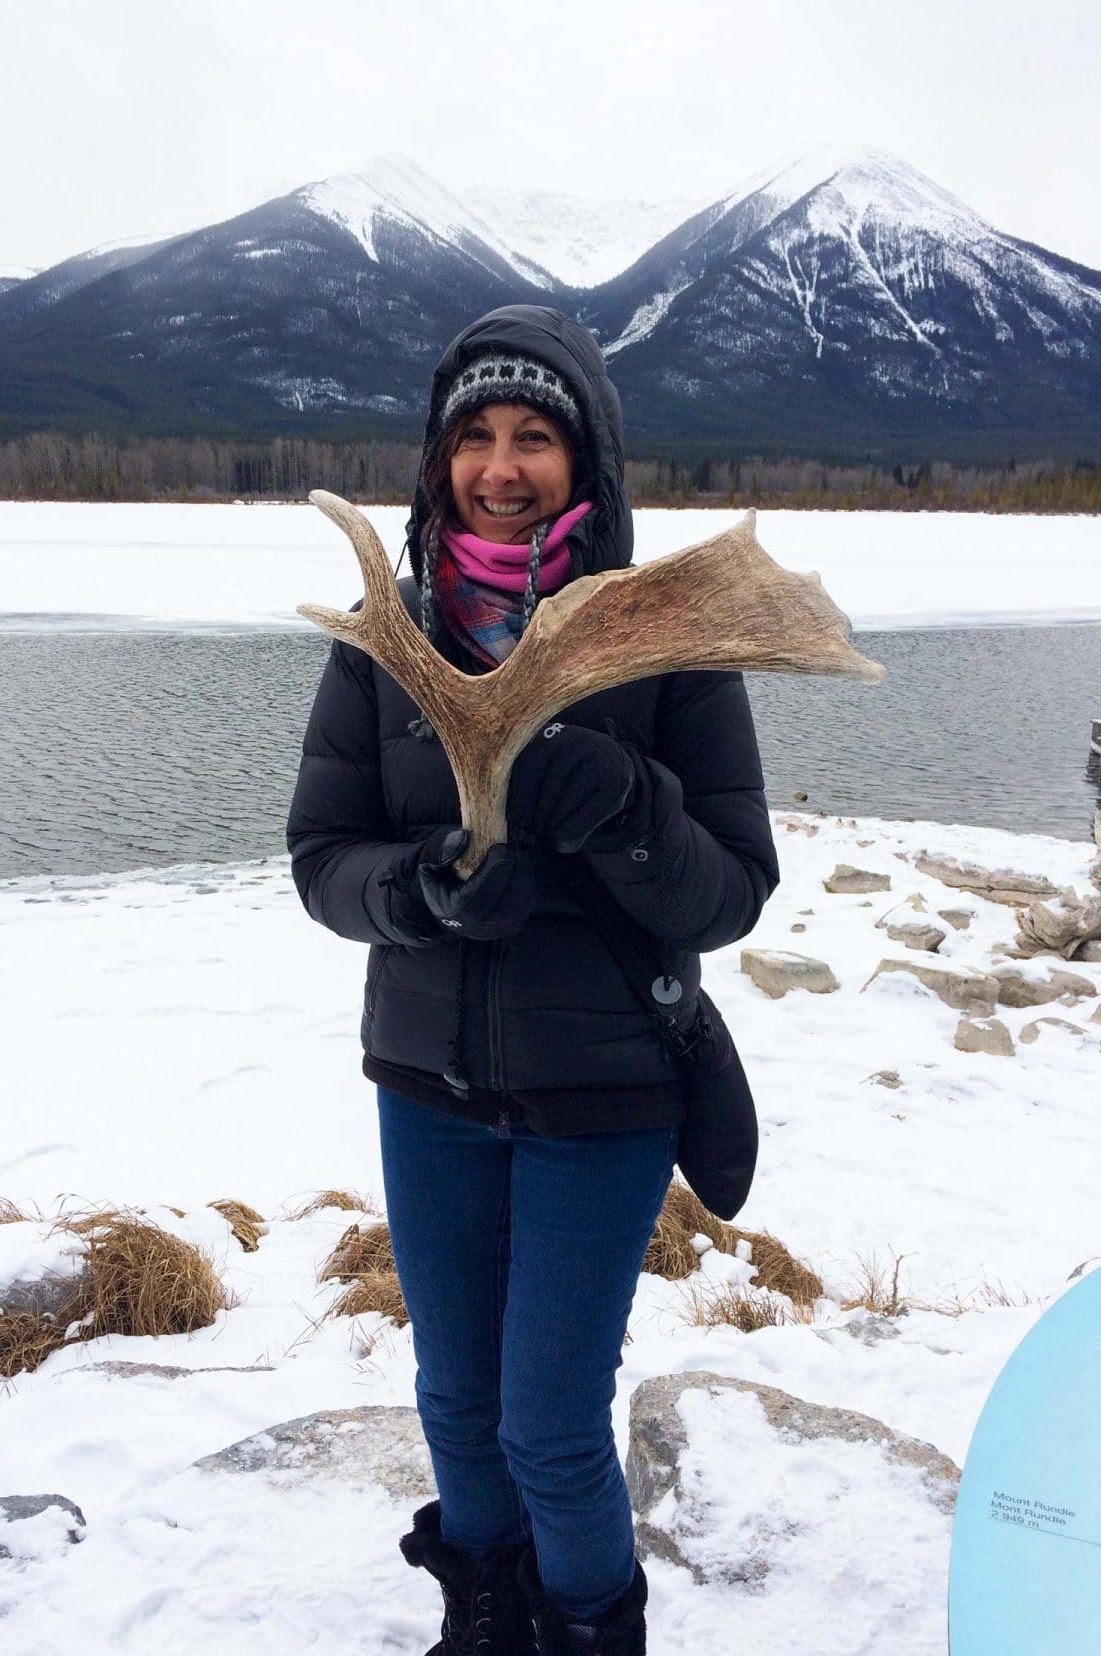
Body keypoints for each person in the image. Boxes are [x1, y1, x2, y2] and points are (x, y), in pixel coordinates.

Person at [287, 305, 779, 1655]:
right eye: (475, 439)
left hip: (602, 1093)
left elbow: (732, 890)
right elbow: (321, 856)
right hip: (425, 1079)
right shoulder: (385, 638)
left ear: (586, 463)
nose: (501, 468)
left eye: (535, 438)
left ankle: (586, 1633)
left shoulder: (663, 633)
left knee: (550, 1424)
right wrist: (417, 892)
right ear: (439, 460)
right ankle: (488, 1620)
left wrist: (623, 804)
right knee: (453, 1402)